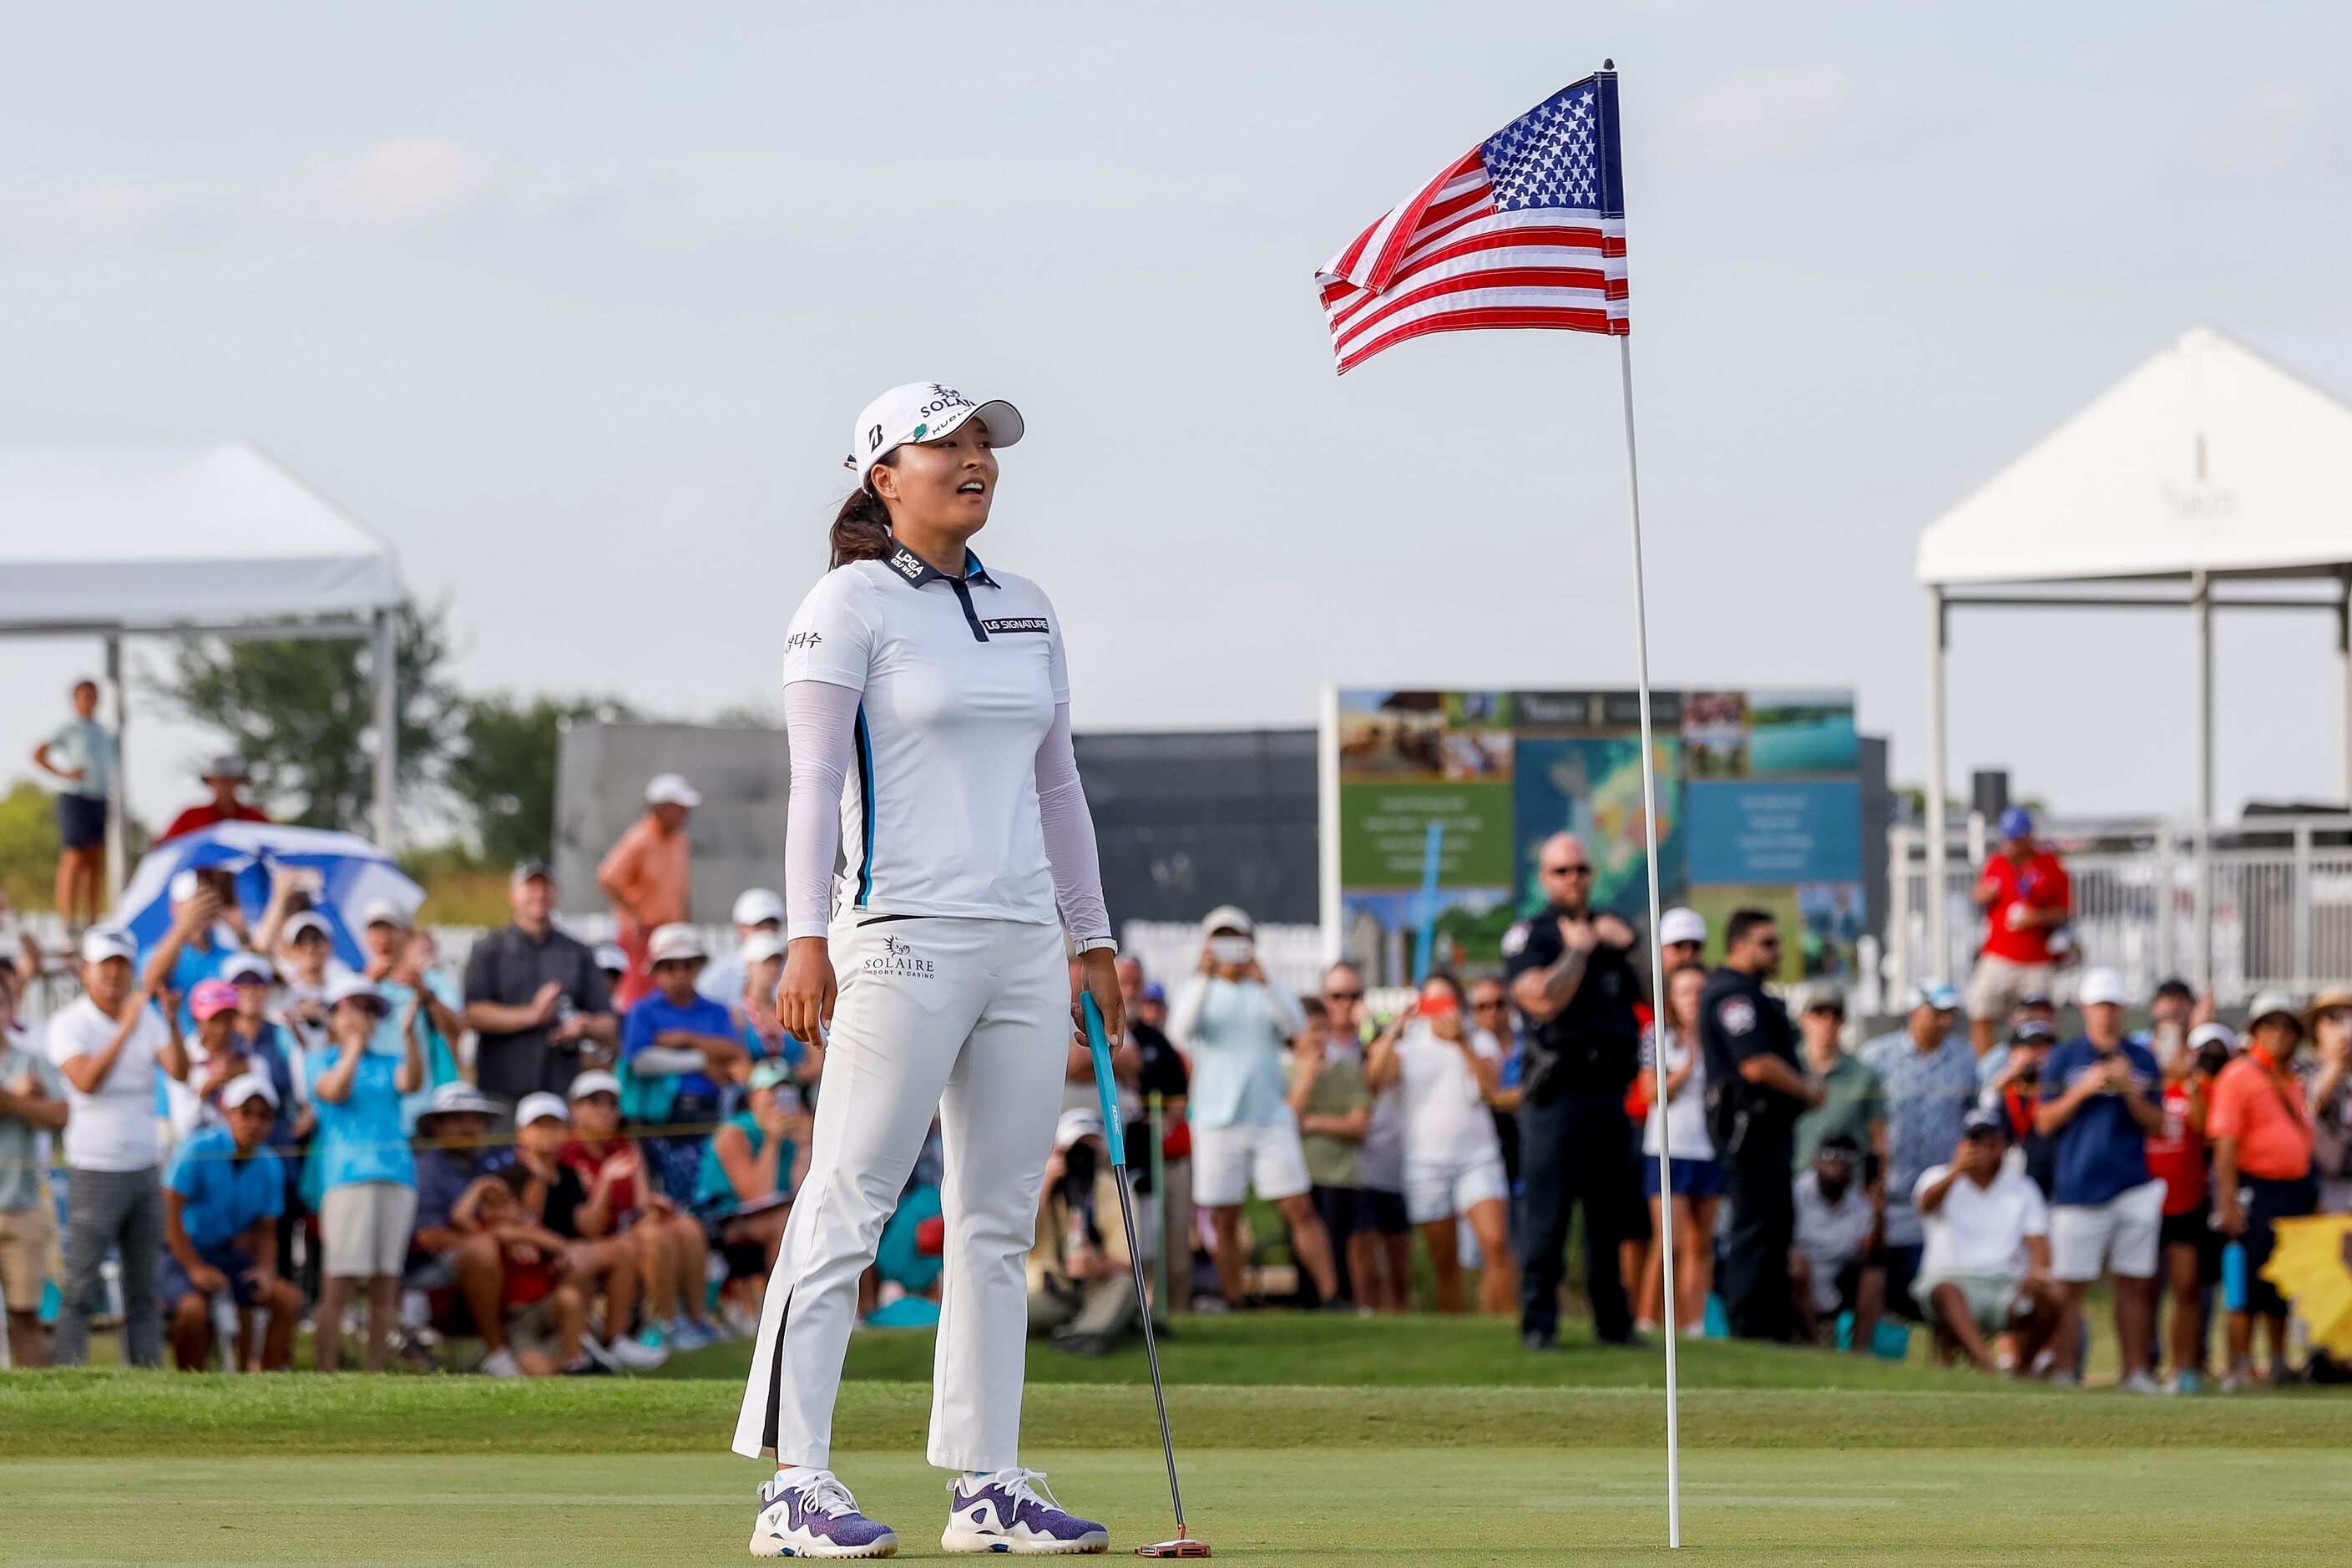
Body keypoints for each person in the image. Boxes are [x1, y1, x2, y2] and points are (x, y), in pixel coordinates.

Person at [741, 380, 1120, 1556]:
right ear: (881, 476)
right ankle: (794, 1482)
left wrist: (1092, 934)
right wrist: (808, 935)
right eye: (944, 444)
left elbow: (1058, 783)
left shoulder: (1028, 605)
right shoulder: (844, 602)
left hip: (1019, 943)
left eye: (981, 444)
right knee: (848, 1198)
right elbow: (812, 781)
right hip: (896, 931)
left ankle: (986, 1483)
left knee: (996, 1219)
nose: (974, 460)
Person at [1504, 832, 1645, 1351]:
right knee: (1547, 1218)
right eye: (1561, 871)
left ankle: (1614, 1326)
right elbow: (1541, 1000)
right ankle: (1540, 1326)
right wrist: (1577, 953)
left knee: (1608, 1223)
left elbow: (1658, 997)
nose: (1573, 879)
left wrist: (1628, 946)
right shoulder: (1533, 935)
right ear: (1544, 878)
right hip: (1557, 1095)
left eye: (1581, 869)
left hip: (1610, 1092)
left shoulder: (1612, 928)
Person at [1171, 905, 1341, 1310]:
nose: (1229, 950)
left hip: (1269, 1117)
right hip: (1216, 1120)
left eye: (1236, 940)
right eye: (1221, 941)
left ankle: (1332, 1295)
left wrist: (1265, 980)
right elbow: (1180, 1030)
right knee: (1225, 1217)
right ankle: (1233, 1299)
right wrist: (1202, 974)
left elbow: (1296, 1026)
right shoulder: (1199, 991)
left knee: (1299, 1206)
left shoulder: (1266, 989)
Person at [48, 928, 187, 1366]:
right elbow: (86, 1081)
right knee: (83, 1286)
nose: (114, 974)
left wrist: (170, 1022)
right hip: (94, 1168)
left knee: (144, 1289)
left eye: (122, 965)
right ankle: (69, 1375)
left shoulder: (146, 1018)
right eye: (105, 965)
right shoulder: (70, 1022)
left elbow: (180, 1071)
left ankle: (146, 1378)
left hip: (143, 1167)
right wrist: (125, 1031)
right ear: (85, 971)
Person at [2036, 966, 2165, 1391]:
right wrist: (2084, 1090)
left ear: (2123, 1009)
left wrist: (2129, 1089)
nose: (2107, 1014)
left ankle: (2135, 1372)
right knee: (2070, 1286)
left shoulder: (2143, 1059)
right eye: (2099, 1005)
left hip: (2132, 1185)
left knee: (2135, 1284)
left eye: (2113, 1005)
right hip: (2078, 1188)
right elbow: (2044, 1122)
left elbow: (2159, 1124)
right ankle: (2065, 1371)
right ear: (2086, 1009)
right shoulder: (2064, 1057)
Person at [1698, 909, 1820, 1342]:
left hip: (1770, 1133)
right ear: (1739, 944)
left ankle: (1771, 1327)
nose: (1777, 951)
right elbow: (1755, 1064)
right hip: (1749, 1134)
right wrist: (1806, 1089)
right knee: (1754, 1231)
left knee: (1774, 1229)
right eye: (1767, 943)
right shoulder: (1733, 996)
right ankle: (1749, 1330)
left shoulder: (1753, 993)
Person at [1366, 974, 1516, 1316]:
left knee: (1495, 1243)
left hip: (1478, 1157)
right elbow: (1375, 1080)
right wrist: (1394, 1029)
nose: (1440, 1012)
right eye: (1432, 1003)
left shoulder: (1480, 1041)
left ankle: (1505, 1324)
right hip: (1426, 1163)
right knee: (1444, 1261)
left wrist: (1462, 1043)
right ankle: (1457, 1331)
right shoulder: (1409, 1047)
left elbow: (1491, 1088)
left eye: (1447, 1003)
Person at [500, 1090, 668, 1369]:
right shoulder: (511, 1174)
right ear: (521, 1132)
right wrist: (539, 1182)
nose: (548, 1132)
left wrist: (605, 1180)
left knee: (623, 1249)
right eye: (539, 1125)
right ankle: (583, 1345)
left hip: (563, 1270)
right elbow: (522, 1226)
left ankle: (613, 1339)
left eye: (554, 1125)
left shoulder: (566, 1173)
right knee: (577, 1261)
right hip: (528, 1290)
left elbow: (587, 1227)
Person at [306, 974, 422, 1373]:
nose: (364, 1016)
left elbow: (412, 1081)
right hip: (347, 1179)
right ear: (335, 1015)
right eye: (354, 1006)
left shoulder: (389, 1062)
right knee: (339, 1282)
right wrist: (352, 1047)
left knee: (385, 1284)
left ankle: (374, 1374)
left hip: (397, 1178)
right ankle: (325, 1372)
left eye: (370, 1009)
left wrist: (409, 1036)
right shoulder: (318, 1060)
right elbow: (334, 1091)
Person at [562, 1068, 717, 1353]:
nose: (605, 1110)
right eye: (595, 1101)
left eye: (611, 1103)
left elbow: (641, 1203)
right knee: (653, 1237)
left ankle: (695, 1320)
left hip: (626, 1230)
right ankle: (664, 1322)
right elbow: (589, 1227)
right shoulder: (567, 1153)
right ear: (574, 1108)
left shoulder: (624, 1146)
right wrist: (607, 1180)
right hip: (593, 1238)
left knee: (686, 1226)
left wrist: (657, 1209)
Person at [2208, 994, 2317, 1389]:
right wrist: (2228, 1201)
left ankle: (2275, 1361)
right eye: (2270, 1026)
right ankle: (2238, 1364)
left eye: (2287, 1027)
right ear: (2255, 1031)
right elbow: (2225, 1145)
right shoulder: (2239, 1075)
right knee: (2245, 1281)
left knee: (2280, 1282)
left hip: (2293, 1191)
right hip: (2255, 1188)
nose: (2280, 1035)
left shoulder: (2291, 1079)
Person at [160, 1072, 301, 1371]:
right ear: (227, 1112)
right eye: (245, 1113)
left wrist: (264, 1270)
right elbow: (169, 1217)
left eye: (263, 1116)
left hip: (227, 1255)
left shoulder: (270, 1164)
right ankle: (191, 1384)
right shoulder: (195, 1150)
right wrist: (195, 1267)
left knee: (286, 1299)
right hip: (180, 1253)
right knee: (193, 1310)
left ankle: (266, 1382)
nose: (253, 1123)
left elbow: (267, 1232)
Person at [1912, 1107, 2060, 1374]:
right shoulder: (1937, 1177)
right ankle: (1989, 1370)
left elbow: (2039, 1244)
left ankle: (2022, 1372)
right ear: (1961, 1145)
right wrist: (1957, 1172)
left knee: (2051, 1299)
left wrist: (2037, 1276)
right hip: (1948, 1281)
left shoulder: (2022, 1187)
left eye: (1991, 1142)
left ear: (2003, 1146)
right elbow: (1925, 1204)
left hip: (2003, 1288)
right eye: (1975, 1142)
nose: (1984, 1150)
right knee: (1947, 1291)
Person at [1860, 983, 1977, 1318]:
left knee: (1939, 1290)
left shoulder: (1964, 1057)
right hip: (1891, 1192)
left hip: (1942, 1196)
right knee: (1887, 1289)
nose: (1944, 1021)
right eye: (1937, 1012)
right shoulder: (1877, 1056)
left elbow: (1971, 1115)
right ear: (1915, 1011)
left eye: (1949, 1014)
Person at [463, 859, 619, 1107]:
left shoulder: (578, 952)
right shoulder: (489, 948)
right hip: (502, 1089)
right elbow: (473, 1014)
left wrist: (584, 1025)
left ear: (557, 894)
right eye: (530, 887)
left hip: (561, 1088)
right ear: (513, 894)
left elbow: (608, 1024)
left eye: (546, 887)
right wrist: (531, 1015)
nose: (539, 894)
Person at [620, 923, 748, 1215]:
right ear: (656, 971)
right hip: (657, 1122)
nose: (679, 973)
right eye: (669, 967)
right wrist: (702, 1060)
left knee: (707, 1201)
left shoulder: (716, 1011)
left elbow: (735, 1058)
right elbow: (640, 1061)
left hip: (708, 1115)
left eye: (687, 965)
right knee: (663, 1207)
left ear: (698, 967)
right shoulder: (643, 1010)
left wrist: (684, 1040)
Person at [1636, 964, 1720, 1337]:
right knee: (1669, 1241)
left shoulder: (1717, 1038)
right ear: (1672, 997)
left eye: (1700, 992)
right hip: (1667, 1148)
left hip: (1709, 1149)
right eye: (1686, 992)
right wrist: (1687, 1067)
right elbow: (1650, 1092)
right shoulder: (1658, 1035)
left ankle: (1693, 1324)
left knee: (1701, 1242)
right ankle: (1647, 1319)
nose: (1693, 1000)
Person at [453, 1167, 597, 1376]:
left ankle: (577, 1360)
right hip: (517, 1319)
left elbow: (562, 1245)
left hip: (544, 1307)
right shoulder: (484, 1233)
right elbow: (459, 1217)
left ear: (518, 1206)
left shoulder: (529, 1229)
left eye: (505, 1203)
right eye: (489, 1205)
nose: (498, 1211)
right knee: (539, 1371)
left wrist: (518, 1235)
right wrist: (480, 1185)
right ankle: (556, 1366)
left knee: (570, 1296)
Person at [1325, 962, 1409, 1313]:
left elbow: (1381, 1077)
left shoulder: (1373, 1037)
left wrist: (1375, 1030)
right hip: (1347, 1168)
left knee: (1398, 1270)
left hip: (1388, 1165)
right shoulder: (1319, 1044)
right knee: (1361, 1264)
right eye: (1337, 996)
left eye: (1354, 995)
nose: (1347, 1003)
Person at [2150, 1019, 2228, 1393]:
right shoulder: (2143, 1084)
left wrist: (2190, 1079)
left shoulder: (2197, 1085)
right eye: (2162, 1039)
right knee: (2144, 1288)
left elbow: (2205, 1127)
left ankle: (2184, 1369)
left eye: (2175, 1040)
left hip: (2186, 1200)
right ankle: (2144, 1365)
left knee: (2186, 1286)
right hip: (2145, 1199)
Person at [1027, 1108, 1141, 1356]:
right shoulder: (1037, 1189)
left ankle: (1086, 1333)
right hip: (1047, 1291)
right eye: (1074, 1151)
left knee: (1125, 1286)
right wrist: (1046, 1183)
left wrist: (1097, 1265)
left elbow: (1129, 1268)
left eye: (1088, 1150)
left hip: (1095, 1292)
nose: (1081, 1159)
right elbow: (1020, 1238)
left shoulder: (1115, 1192)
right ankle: (1087, 1330)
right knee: (1008, 1307)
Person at [0, 954, 68, 1367]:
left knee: (26, 1315)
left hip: (22, 1204)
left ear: (11, 1008)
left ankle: (35, 1409)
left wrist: (15, 1102)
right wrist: (17, 1100)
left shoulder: (31, 1062)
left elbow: (61, 1117)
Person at [1965, 807, 2071, 1058]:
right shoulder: (1996, 864)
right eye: (2006, 838)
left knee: (2039, 1020)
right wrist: (1981, 895)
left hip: (2036, 959)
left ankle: (2035, 1071)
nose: (2009, 844)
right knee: (1980, 1009)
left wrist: (2037, 917)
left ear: (2028, 838)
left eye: (2015, 838)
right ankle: (1985, 1070)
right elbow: (1978, 897)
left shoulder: (2049, 865)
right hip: (1998, 954)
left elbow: (2064, 910)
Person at [1287, 998, 1371, 1309]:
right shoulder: (1283, 1072)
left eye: (1324, 1030)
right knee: (1303, 1255)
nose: (1320, 1037)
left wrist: (1311, 1121)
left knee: (1337, 1250)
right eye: (1312, 1030)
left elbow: (1359, 1126)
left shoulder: (1346, 1070)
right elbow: (1287, 1121)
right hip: (1298, 1175)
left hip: (1341, 1176)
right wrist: (1307, 1075)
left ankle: (1338, 1303)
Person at [598, 773, 700, 1006]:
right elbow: (608, 878)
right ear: (662, 808)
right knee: (638, 996)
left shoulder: (680, 840)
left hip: (671, 933)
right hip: (643, 935)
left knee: (672, 998)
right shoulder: (639, 840)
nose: (686, 814)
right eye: (680, 808)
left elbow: (680, 888)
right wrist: (634, 914)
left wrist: (685, 922)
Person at [698, 1061, 807, 1277]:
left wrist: (805, 1147)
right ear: (752, 1097)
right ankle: (782, 1305)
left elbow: (800, 1190)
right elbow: (757, 1196)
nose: (778, 1098)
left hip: (776, 1208)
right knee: (787, 1222)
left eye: (784, 1091)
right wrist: (772, 1141)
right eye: (771, 1090)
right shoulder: (733, 1131)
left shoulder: (794, 1128)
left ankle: (866, 1307)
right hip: (724, 1218)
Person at [30, 678, 114, 929]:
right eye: (83, 696)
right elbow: (39, 753)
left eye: (92, 696)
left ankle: (91, 920)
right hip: (75, 797)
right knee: (74, 857)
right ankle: (67, 920)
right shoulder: (69, 729)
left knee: (95, 859)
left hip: (99, 798)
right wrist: (64, 774)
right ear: (75, 701)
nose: (88, 701)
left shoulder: (102, 732)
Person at [1790, 1133, 1881, 1350]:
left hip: (1838, 1278)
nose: (1839, 1165)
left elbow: (1872, 1252)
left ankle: (1859, 1354)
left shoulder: (1860, 1204)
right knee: (1797, 1265)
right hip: (1794, 1279)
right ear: (1816, 1161)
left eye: (1846, 1160)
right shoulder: (1795, 1193)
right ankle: (1816, 1347)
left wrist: (1879, 1216)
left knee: (1874, 1276)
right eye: (1831, 1157)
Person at [1791, 987, 1885, 1174]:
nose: (1828, 1021)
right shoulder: (1786, 1069)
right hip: (1795, 1183)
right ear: (1804, 1019)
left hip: (1848, 1188)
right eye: (1819, 1013)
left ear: (1843, 1022)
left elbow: (1878, 1140)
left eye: (1836, 1014)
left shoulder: (1863, 1075)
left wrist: (1876, 1183)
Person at [1982, 1019, 2061, 1196]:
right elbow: (1983, 1112)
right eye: (2031, 1047)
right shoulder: (2002, 1091)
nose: (2039, 1054)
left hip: (2053, 1183)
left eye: (2045, 1047)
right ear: (2013, 1053)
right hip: (2010, 1183)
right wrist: (2006, 1077)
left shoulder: (2057, 1089)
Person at [2304, 988, 2352, 1216]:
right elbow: (2309, 1107)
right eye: (2333, 1019)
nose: (2344, 1029)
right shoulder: (2302, 1068)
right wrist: (2334, 1065)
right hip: (2321, 1189)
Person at [702, 888, 788, 1005]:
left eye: (773, 923)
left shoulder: (794, 970)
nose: (767, 930)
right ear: (741, 927)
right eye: (759, 924)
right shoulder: (717, 977)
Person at [159, 753, 270, 841]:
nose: (224, 786)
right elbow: (166, 849)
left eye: (229, 781)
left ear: (238, 782)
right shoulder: (190, 817)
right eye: (220, 781)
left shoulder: (256, 819)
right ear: (210, 782)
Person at [1657, 906, 1707, 974]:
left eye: (1695, 946)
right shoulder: (1644, 983)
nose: (1688, 954)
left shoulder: (1715, 982)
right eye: (1678, 945)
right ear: (1662, 949)